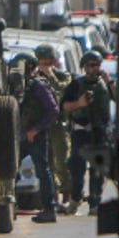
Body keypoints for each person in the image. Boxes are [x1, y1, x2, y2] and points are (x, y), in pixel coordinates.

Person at [62, 50, 114, 217]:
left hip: (99, 131)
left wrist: (110, 82)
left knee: (98, 169)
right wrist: (79, 103)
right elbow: (64, 106)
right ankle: (75, 200)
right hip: (80, 131)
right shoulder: (76, 84)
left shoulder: (104, 84)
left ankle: (95, 203)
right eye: (91, 65)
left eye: (98, 65)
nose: (95, 69)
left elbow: (118, 97)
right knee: (77, 168)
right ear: (84, 66)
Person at [15, 51, 61, 224]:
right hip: (23, 135)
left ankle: (49, 209)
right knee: (12, 169)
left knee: (42, 170)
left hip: (36, 135)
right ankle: (11, 206)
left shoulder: (38, 85)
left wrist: (36, 130)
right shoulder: (21, 85)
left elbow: (53, 111)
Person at [34, 43, 72, 210]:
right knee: (47, 163)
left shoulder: (63, 76)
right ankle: (53, 197)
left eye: (47, 61)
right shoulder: (35, 78)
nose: (44, 64)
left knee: (62, 160)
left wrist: (51, 77)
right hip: (42, 124)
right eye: (41, 61)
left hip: (58, 125)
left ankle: (67, 196)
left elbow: (63, 93)